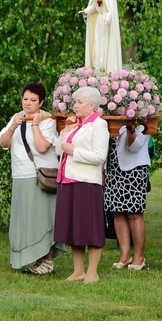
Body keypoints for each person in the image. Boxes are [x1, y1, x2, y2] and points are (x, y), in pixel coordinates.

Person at [0, 82, 63, 274]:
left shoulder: (49, 121)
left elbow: (43, 147)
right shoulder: (16, 117)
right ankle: (36, 259)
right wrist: (13, 126)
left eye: (33, 100)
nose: (28, 103)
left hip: (41, 175)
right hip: (20, 174)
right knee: (26, 219)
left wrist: (35, 123)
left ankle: (48, 261)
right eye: (25, 99)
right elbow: (3, 142)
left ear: (40, 102)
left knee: (43, 219)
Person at [54, 86, 109, 284]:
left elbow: (99, 156)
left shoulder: (98, 125)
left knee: (90, 227)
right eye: (75, 102)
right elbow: (59, 150)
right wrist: (65, 133)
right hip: (68, 180)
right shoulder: (76, 125)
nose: (75, 105)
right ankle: (78, 271)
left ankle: (92, 272)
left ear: (92, 105)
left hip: (87, 182)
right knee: (73, 227)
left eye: (79, 102)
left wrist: (74, 151)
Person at [104, 123, 151, 271]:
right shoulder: (110, 116)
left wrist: (131, 128)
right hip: (113, 167)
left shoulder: (143, 117)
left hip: (134, 169)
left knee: (134, 213)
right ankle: (125, 255)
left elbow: (134, 146)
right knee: (117, 212)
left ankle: (139, 256)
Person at [78, 0, 122, 74]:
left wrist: (107, 19)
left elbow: (111, 10)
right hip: (98, 21)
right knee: (97, 44)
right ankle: (97, 68)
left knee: (106, 45)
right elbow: (93, 6)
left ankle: (106, 69)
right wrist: (86, 11)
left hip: (106, 22)